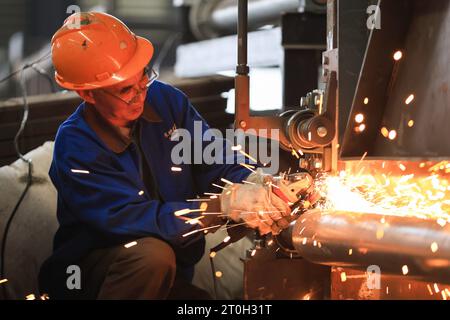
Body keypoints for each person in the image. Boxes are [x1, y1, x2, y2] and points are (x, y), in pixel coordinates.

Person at [39, 12, 292, 300]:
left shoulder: (165, 100)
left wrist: (252, 180)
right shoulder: (76, 145)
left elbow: (211, 155)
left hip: (166, 272)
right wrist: (220, 206)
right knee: (151, 255)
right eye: (125, 89)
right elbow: (134, 221)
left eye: (143, 76)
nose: (140, 93)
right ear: (88, 94)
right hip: (91, 276)